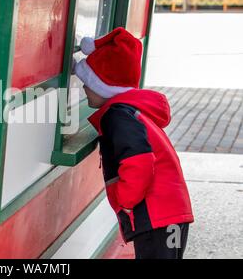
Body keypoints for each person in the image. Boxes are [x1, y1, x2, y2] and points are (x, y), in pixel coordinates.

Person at [72, 27, 194, 259]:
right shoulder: (130, 112)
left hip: (158, 217)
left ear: (102, 86)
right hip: (170, 215)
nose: (84, 88)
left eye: (87, 81)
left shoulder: (117, 116)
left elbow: (139, 161)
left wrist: (125, 199)